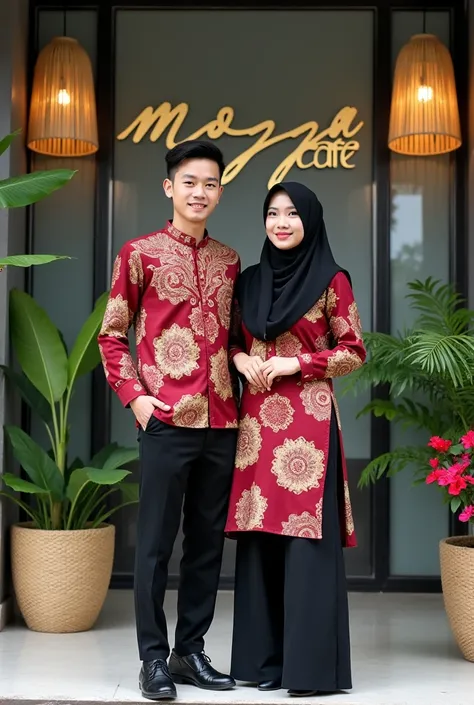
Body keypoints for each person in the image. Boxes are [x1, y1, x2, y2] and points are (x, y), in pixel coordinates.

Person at [98, 140, 240, 701]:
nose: (199, 192)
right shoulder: (140, 254)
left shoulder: (230, 261)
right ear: (169, 188)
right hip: (164, 418)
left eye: (209, 183)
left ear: (220, 191)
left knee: (206, 543)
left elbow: (236, 339)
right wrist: (136, 399)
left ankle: (191, 651)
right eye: (189, 182)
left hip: (223, 422)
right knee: (156, 543)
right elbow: (112, 334)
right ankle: (152, 658)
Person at [225, 181, 366, 697]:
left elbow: (353, 350)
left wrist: (295, 363)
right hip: (258, 426)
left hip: (309, 427)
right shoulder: (250, 281)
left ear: (310, 218)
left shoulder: (332, 279)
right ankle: (265, 665)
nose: (281, 222)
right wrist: (242, 361)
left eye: (291, 213)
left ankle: (309, 671)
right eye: (272, 213)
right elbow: (233, 343)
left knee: (306, 545)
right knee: (261, 543)